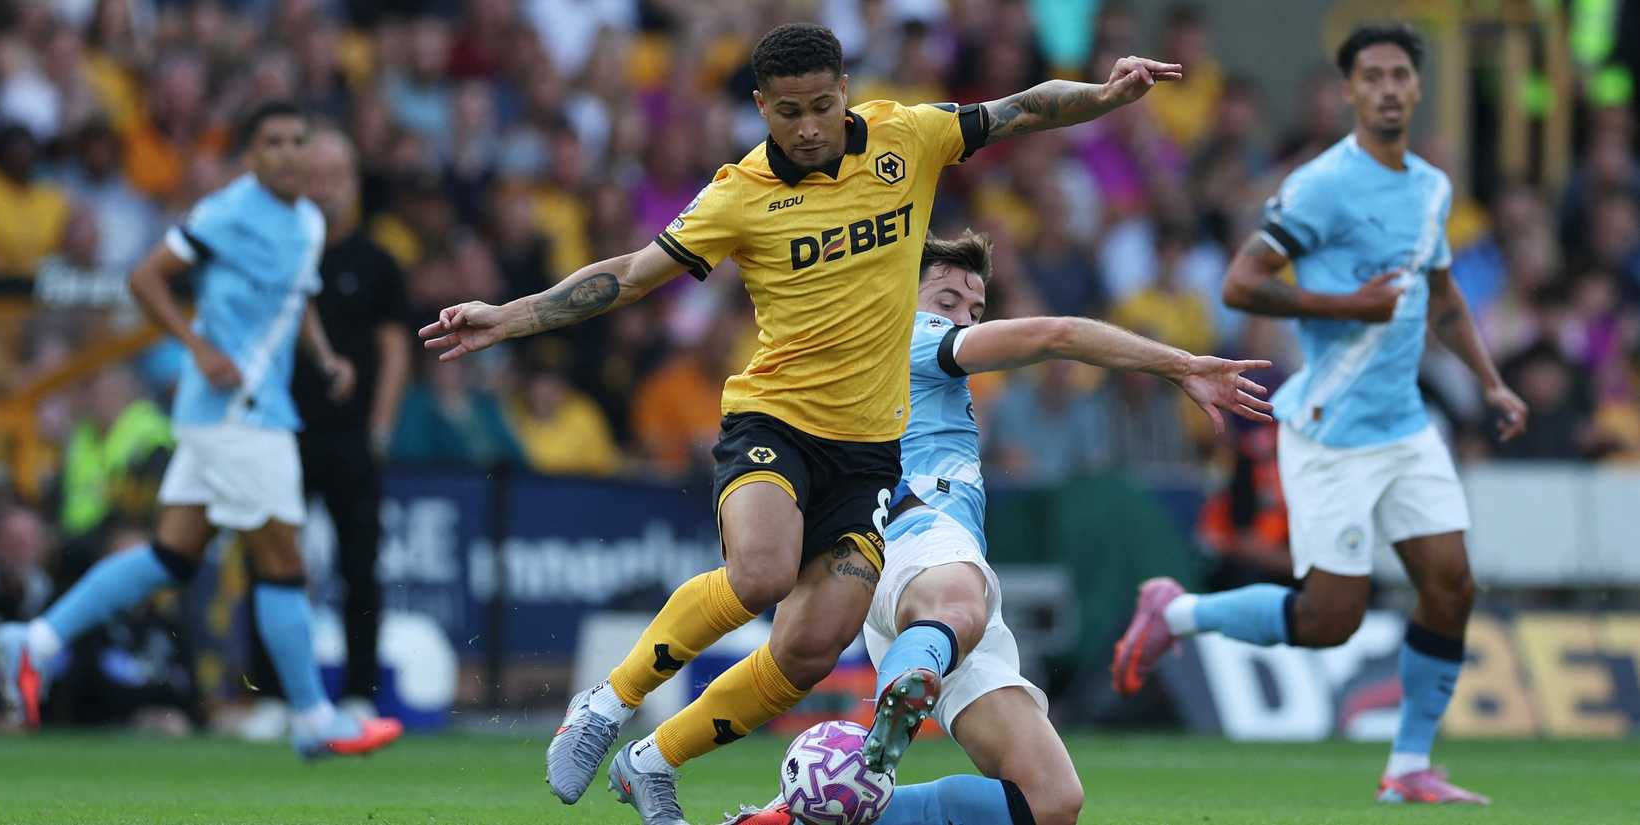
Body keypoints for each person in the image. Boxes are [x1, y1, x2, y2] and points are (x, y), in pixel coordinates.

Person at [419, 23, 1180, 825]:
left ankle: (653, 759)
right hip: (774, 420)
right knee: (760, 572)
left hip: (867, 455)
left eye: (821, 105)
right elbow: (634, 274)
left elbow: (1019, 109)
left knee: (808, 650)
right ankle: (606, 703)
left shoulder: (907, 137)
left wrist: (1102, 96)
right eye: (788, 112)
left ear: (844, 90)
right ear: (760, 106)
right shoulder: (739, 193)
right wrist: (511, 315)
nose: (809, 127)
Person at [1110, 24, 1528, 806]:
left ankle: (1409, 765)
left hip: (1405, 425)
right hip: (1331, 429)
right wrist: (1346, 305)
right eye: (1373, 76)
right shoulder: (1322, 185)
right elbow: (1240, 283)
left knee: (1452, 583)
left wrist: (1491, 383)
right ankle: (1179, 609)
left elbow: (1441, 296)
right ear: (1349, 91)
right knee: (1332, 617)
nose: (1388, 88)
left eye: (1400, 75)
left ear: (1417, 87)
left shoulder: (1431, 188)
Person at [721, 231, 1271, 825]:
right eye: (947, 300)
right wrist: (1182, 365)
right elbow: (1057, 334)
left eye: (975, 309)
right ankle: (903, 688)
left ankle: (806, 815)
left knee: (1051, 800)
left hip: (933, 590)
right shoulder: (909, 336)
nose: (962, 318)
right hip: (913, 536)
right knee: (960, 601)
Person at [0, 101, 403, 759]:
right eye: (273, 141)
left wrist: (325, 356)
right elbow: (144, 277)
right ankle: (312, 718)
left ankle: (33, 641)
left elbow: (294, 299)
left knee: (170, 556)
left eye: (298, 139)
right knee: (284, 563)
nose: (288, 152)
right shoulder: (229, 212)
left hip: (242, 413)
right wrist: (196, 346)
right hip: (238, 412)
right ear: (251, 157)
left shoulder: (305, 221)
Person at [241, 127, 411, 736]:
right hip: (279, 428)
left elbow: (395, 349)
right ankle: (270, 696)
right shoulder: (282, 252)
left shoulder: (377, 262)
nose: (324, 188)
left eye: (335, 176)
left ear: (354, 183)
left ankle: (360, 693)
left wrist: (381, 423)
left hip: (349, 436)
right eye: (314, 177)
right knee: (271, 560)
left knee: (358, 566)